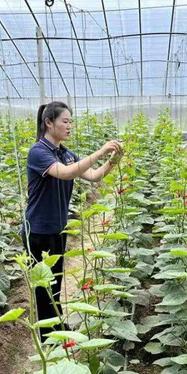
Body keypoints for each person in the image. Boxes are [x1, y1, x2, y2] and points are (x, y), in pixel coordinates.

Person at [22, 101, 122, 339]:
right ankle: (47, 336)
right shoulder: (39, 151)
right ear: (49, 123)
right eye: (65, 121)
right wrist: (99, 151)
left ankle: (56, 327)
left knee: (55, 282)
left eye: (70, 121)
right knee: (43, 286)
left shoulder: (65, 154)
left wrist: (113, 160)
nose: (70, 126)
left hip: (58, 228)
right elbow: (65, 173)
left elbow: (94, 176)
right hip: (37, 230)